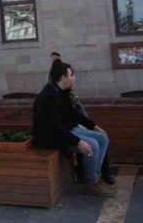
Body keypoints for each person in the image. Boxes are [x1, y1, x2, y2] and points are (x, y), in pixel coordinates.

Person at [32, 61, 115, 196]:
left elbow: (75, 114)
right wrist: (78, 142)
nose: (74, 78)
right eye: (71, 75)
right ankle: (91, 183)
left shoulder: (63, 91)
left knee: (102, 138)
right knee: (92, 144)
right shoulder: (48, 96)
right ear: (63, 77)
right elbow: (55, 127)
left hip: (67, 129)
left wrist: (93, 126)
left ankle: (94, 178)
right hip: (51, 136)